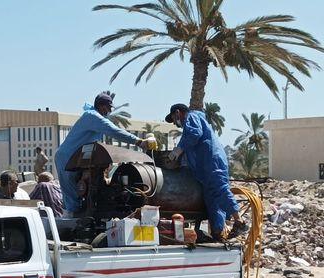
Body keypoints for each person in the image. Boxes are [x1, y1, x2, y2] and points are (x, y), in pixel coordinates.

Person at [55, 92, 149, 216]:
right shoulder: (92, 116)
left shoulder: (94, 118)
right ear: (101, 106)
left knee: (81, 192)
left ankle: (75, 215)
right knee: (73, 195)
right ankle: (72, 220)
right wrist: (138, 141)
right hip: (67, 158)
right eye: (108, 107)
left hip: (77, 159)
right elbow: (113, 130)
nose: (109, 111)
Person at [166, 103, 247, 240]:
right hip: (204, 167)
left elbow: (194, 134)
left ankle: (239, 221)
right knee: (212, 199)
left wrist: (178, 149)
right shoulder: (191, 123)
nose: (175, 123)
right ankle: (218, 232)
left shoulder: (191, 117)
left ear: (178, 113)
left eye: (174, 119)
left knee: (219, 189)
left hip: (211, 160)